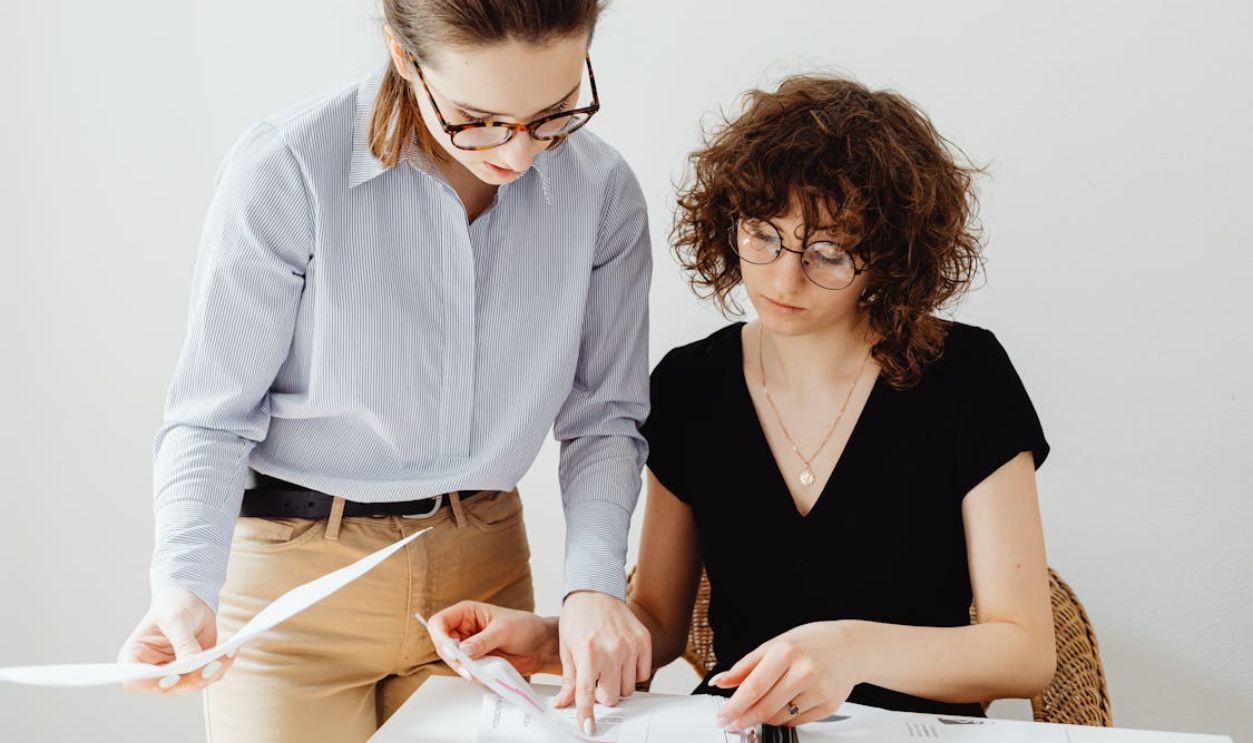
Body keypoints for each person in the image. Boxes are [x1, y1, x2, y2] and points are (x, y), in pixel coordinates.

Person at [428, 73, 1057, 732]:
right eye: (762, 235)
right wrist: (550, 638)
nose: (784, 277)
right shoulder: (692, 385)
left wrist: (849, 649)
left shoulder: (963, 376)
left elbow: (1023, 651)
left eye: (828, 252)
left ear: (890, 257)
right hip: (745, 728)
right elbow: (658, 626)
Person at [116, 2, 653, 741]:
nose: (520, 150)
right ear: (405, 57)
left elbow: (604, 418)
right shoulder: (290, 167)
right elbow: (212, 415)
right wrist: (182, 584)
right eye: (477, 116)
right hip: (293, 592)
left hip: (485, 584)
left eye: (555, 111)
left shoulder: (601, 191)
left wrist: (592, 584)